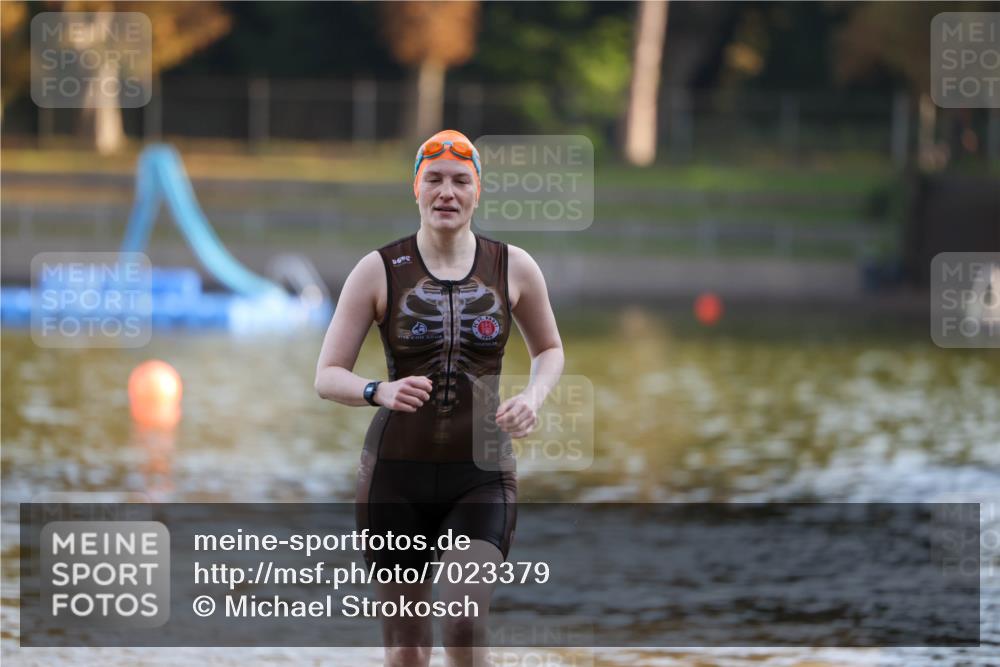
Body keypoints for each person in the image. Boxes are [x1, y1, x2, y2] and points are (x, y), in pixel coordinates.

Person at [314, 129, 564, 667]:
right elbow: (327, 375)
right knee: (406, 648)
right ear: (416, 188)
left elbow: (550, 349)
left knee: (463, 620)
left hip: (482, 474)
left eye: (460, 181)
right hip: (394, 478)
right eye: (434, 180)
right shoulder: (379, 269)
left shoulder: (513, 266)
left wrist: (534, 397)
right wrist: (378, 390)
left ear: (478, 192)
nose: (446, 192)